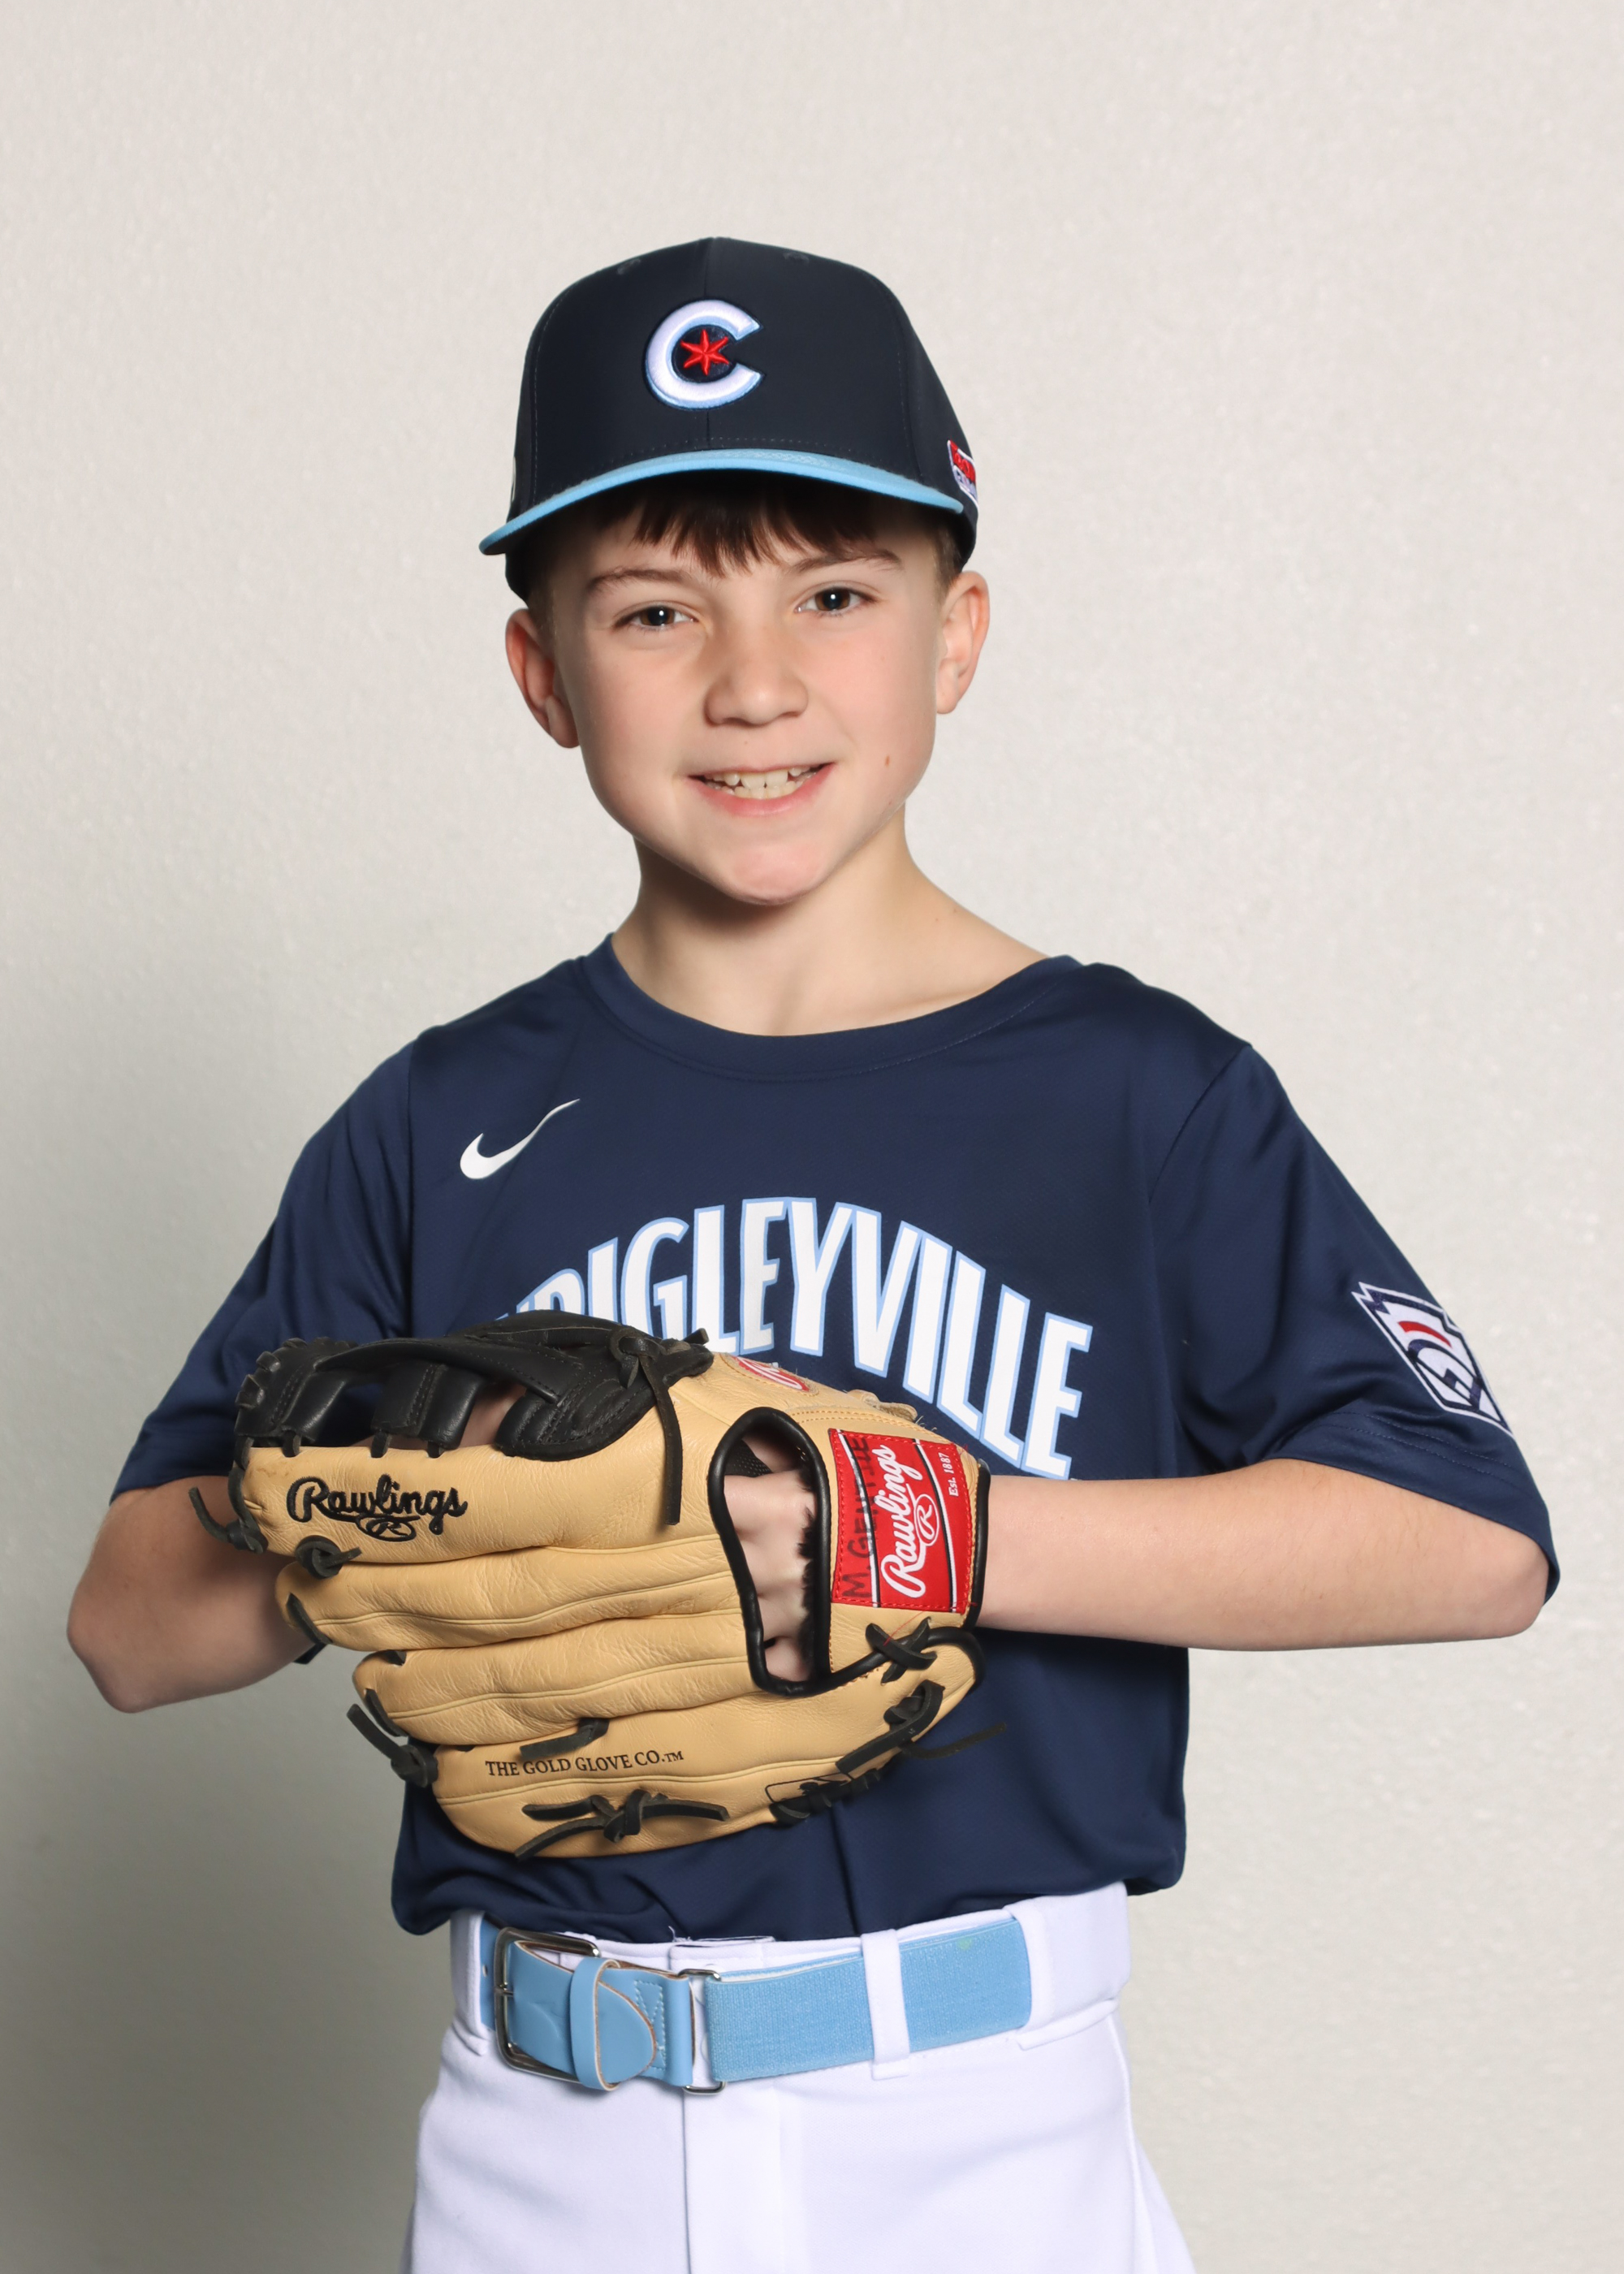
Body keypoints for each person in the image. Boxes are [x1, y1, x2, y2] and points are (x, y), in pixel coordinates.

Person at [67, 237, 1555, 2274]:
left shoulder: (1135, 1091)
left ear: (956, 635)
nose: (751, 683)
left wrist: (893, 1532)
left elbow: (1466, 1542)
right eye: (654, 609)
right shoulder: (438, 1117)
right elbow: (130, 1629)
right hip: (539, 2135)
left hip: (975, 2120)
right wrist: (385, 1520)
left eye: (835, 593)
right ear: (541, 673)